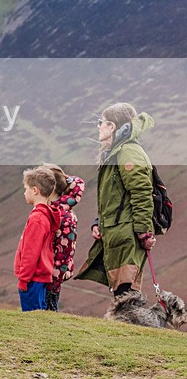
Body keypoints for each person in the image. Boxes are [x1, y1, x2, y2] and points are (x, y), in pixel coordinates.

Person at [75, 103, 155, 298]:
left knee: (126, 295)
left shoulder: (128, 152)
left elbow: (142, 191)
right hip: (117, 233)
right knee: (122, 294)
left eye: (101, 122)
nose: (98, 127)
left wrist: (144, 233)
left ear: (112, 126)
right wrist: (98, 222)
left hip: (127, 235)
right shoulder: (116, 152)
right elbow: (115, 198)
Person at [14, 166, 61, 312]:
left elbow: (31, 252)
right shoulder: (45, 215)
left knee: (31, 317)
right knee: (39, 315)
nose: (24, 192)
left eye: (26, 188)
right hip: (40, 276)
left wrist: (24, 279)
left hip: (33, 278)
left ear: (35, 190)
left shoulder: (37, 219)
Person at [42, 163, 83, 312]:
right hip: (48, 276)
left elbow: (63, 253)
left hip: (50, 279)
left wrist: (53, 282)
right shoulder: (54, 211)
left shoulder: (62, 216)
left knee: (47, 312)